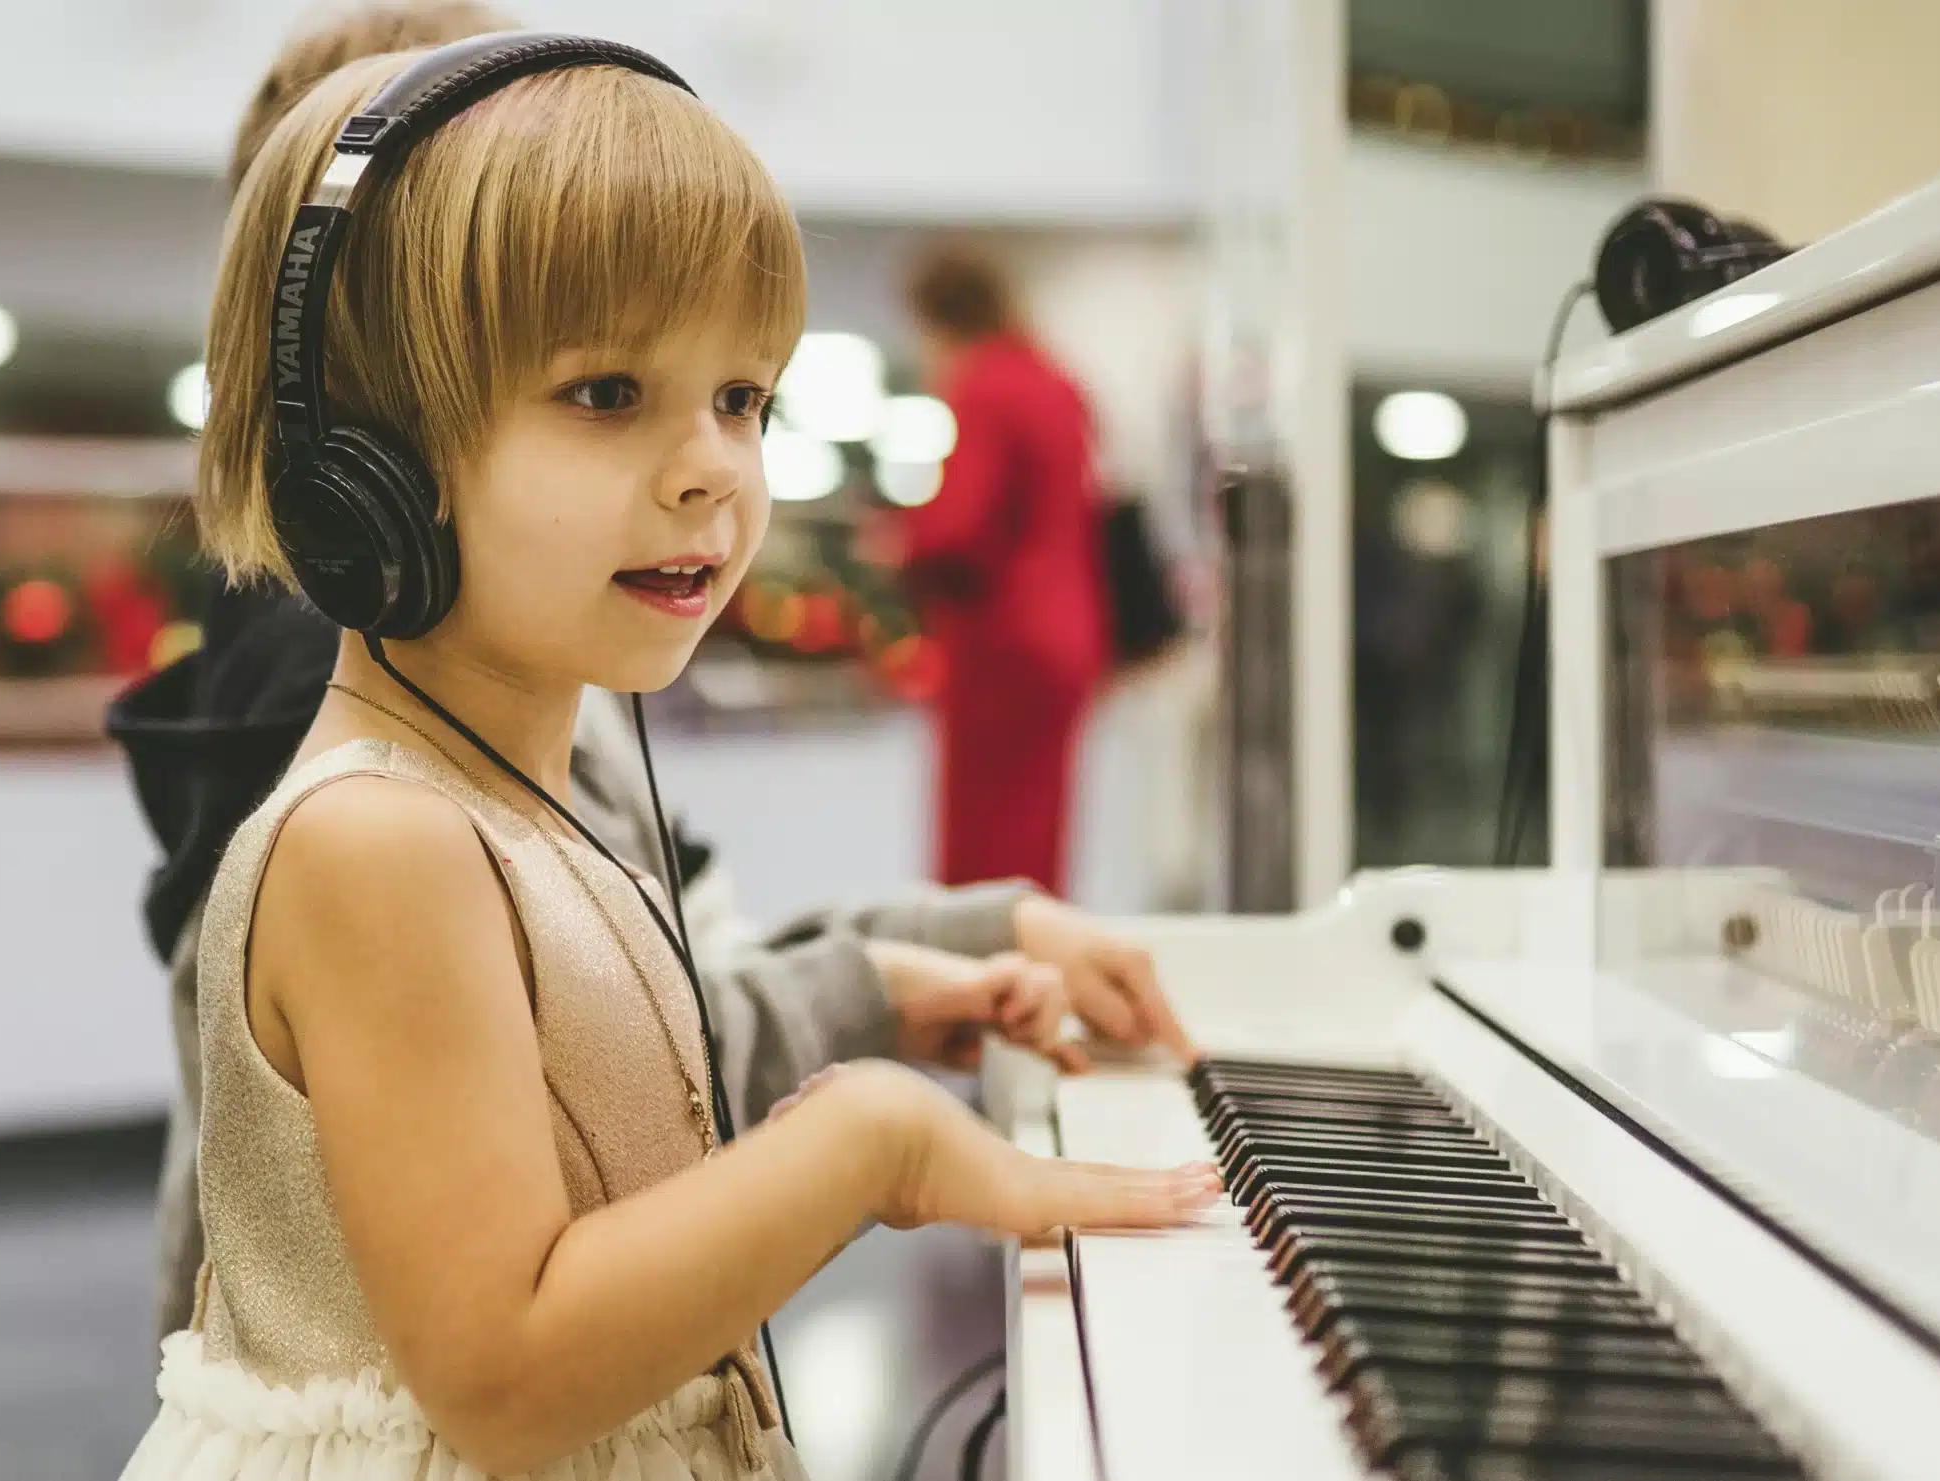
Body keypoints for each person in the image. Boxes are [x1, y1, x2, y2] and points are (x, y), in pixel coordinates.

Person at [120, 35, 1214, 1481]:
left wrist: (886, 1010)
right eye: (607, 393)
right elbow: (505, 1379)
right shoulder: (377, 842)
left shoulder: (520, 797)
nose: (713, 467)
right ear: (361, 470)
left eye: (743, 399)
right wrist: (863, 1147)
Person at [888, 246, 1109, 894]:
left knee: (985, 847)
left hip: (1004, 644)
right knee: (1040, 835)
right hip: (1070, 633)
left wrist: (904, 541)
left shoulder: (985, 385)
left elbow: (956, 528)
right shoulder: (1058, 380)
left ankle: (985, 988)